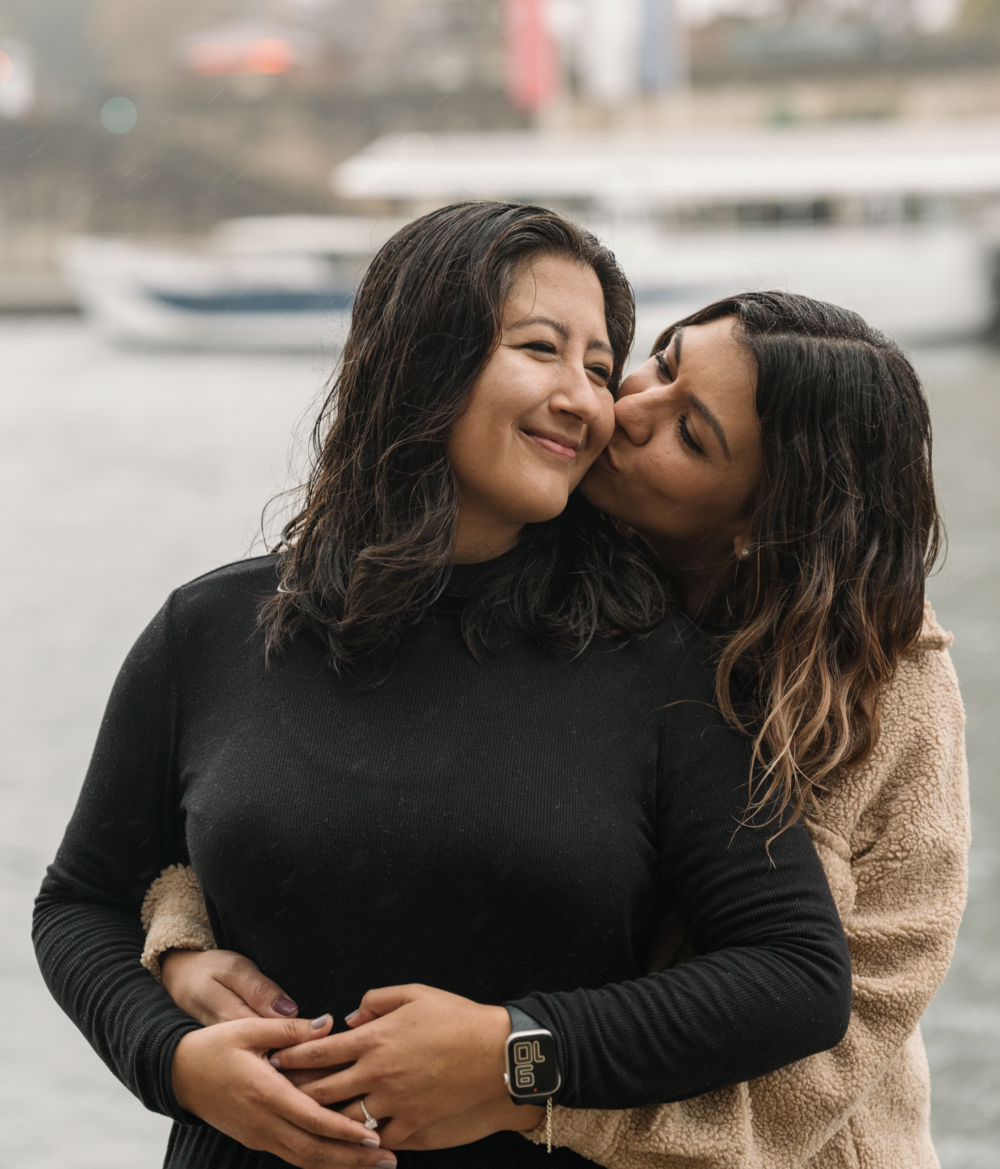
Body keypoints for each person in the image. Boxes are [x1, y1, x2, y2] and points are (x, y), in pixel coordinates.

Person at [33, 209, 851, 1169]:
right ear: (422, 356)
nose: (585, 401)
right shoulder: (212, 629)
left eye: (598, 367)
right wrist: (172, 1060)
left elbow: (795, 978)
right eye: (540, 349)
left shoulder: (662, 672)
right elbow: (80, 900)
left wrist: (520, 1055)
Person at [149, 290, 969, 1169]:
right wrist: (183, 938)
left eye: (690, 435)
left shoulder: (886, 698)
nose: (624, 412)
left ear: (755, 528)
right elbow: (310, 776)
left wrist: (513, 1080)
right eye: (660, 361)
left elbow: (813, 1062)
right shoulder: (533, 544)